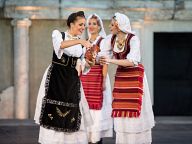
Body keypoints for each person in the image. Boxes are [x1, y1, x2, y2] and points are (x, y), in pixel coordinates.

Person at [34, 11, 94, 144]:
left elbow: (81, 65)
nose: (83, 27)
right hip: (56, 78)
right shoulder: (58, 34)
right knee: (52, 107)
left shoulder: (81, 45)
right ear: (71, 24)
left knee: (72, 108)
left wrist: (89, 63)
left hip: (71, 80)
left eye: (84, 25)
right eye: (80, 24)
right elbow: (60, 46)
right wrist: (80, 41)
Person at [100, 12, 155, 144]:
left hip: (135, 79)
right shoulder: (110, 39)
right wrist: (93, 57)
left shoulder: (133, 38)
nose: (110, 26)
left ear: (119, 26)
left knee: (136, 110)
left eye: (112, 24)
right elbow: (101, 56)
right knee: (122, 108)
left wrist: (110, 60)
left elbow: (132, 61)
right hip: (122, 79)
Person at [80, 14, 113, 144]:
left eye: (94, 23)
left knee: (97, 112)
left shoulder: (103, 41)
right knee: (85, 108)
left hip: (98, 78)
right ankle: (87, 138)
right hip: (85, 79)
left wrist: (104, 81)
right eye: (90, 23)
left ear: (99, 26)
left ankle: (96, 139)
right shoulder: (85, 42)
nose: (91, 26)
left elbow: (104, 62)